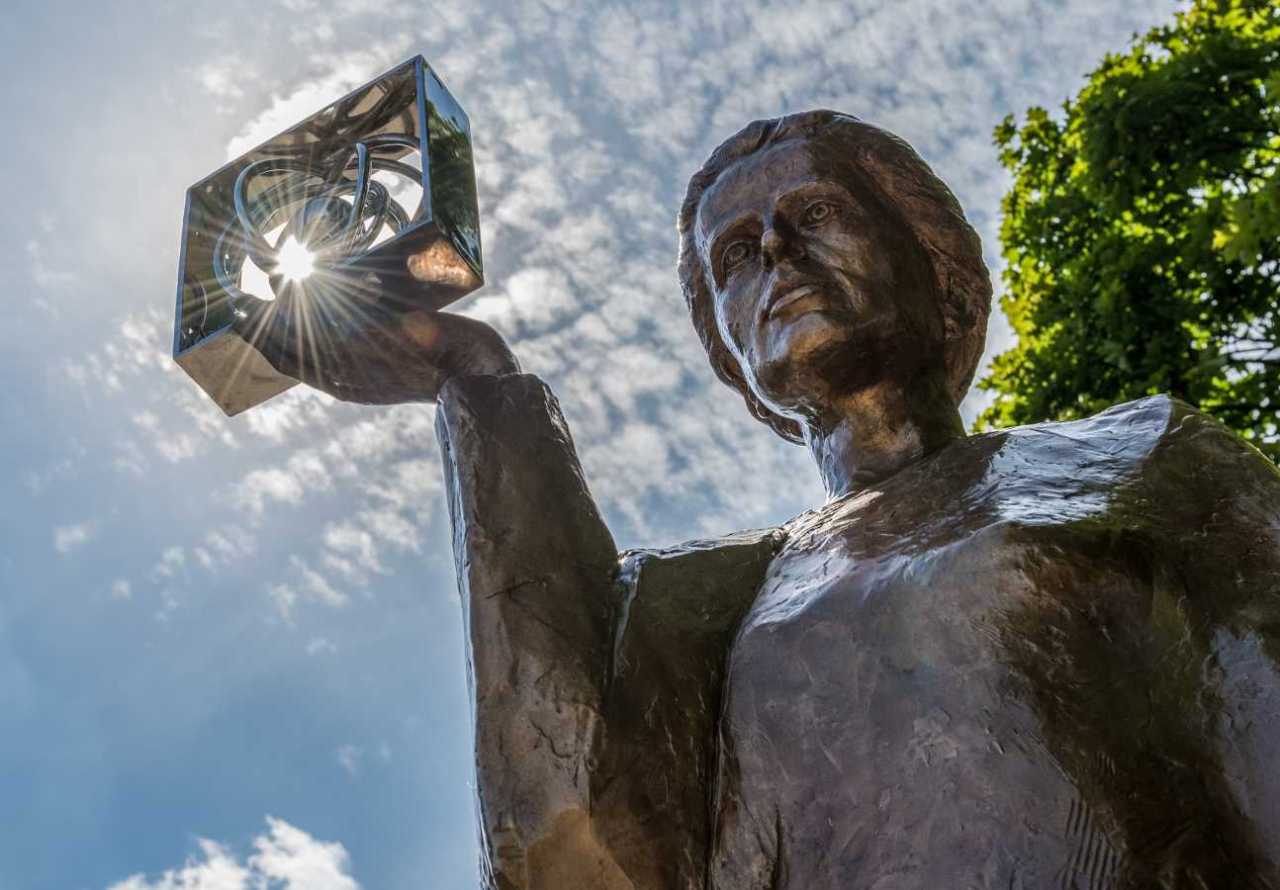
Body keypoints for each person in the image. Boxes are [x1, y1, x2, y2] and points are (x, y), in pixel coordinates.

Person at [236, 110, 1280, 890]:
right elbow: (570, 854)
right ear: (733, 358)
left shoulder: (1136, 450)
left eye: (813, 214)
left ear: (936, 265)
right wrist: (475, 385)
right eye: (735, 257)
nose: (774, 255)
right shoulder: (686, 602)